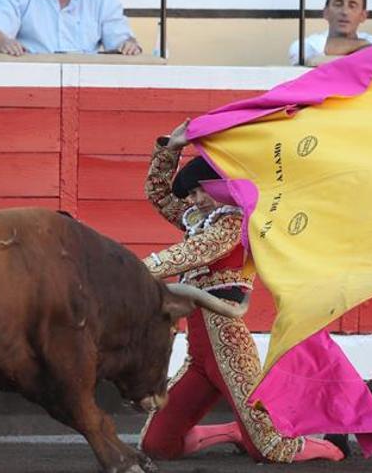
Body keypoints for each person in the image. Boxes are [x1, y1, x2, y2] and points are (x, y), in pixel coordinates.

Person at [137, 120, 346, 464]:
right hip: (200, 356)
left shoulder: (235, 224)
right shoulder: (199, 218)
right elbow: (158, 193)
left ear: (220, 185)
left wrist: (129, 272)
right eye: (189, 195)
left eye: (198, 191)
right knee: (157, 446)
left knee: (270, 450)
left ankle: (331, 447)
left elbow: (193, 253)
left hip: (230, 349)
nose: (193, 201)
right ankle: (232, 430)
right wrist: (170, 147)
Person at [0, 0, 141, 56]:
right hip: (31, 81)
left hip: (87, 83)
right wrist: (2, 42)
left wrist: (128, 45)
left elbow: (120, 42)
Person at [288, 0, 372, 65]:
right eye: (338, 4)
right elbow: (303, 57)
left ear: (363, 16)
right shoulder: (307, 45)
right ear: (326, 13)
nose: (344, 12)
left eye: (352, 6)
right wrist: (364, 44)